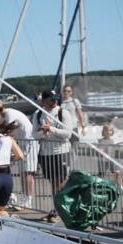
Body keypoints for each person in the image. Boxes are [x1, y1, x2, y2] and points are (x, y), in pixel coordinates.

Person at [34, 90, 76, 222]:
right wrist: (43, 133)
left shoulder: (63, 112)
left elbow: (68, 134)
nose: (54, 102)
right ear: (44, 101)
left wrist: (51, 129)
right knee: (54, 183)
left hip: (61, 151)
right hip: (46, 153)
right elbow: (34, 134)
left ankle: (62, 210)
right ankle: (57, 208)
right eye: (51, 99)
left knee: (62, 183)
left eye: (56, 99)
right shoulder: (38, 114)